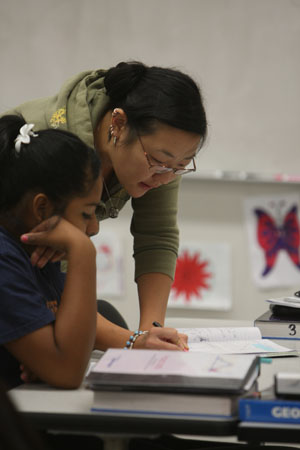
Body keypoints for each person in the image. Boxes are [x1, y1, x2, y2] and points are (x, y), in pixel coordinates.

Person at [4, 61, 208, 334]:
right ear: (119, 124)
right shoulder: (53, 147)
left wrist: (152, 329)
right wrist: (133, 342)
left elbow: (157, 235)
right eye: (160, 162)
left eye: (182, 165)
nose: (166, 177)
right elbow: (50, 295)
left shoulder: (163, 157)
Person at [0, 114, 187, 391]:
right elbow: (67, 373)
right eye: (87, 213)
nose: (94, 227)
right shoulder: (6, 259)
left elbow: (64, 346)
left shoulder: (43, 251)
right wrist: (83, 252)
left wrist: (50, 355)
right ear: (41, 209)